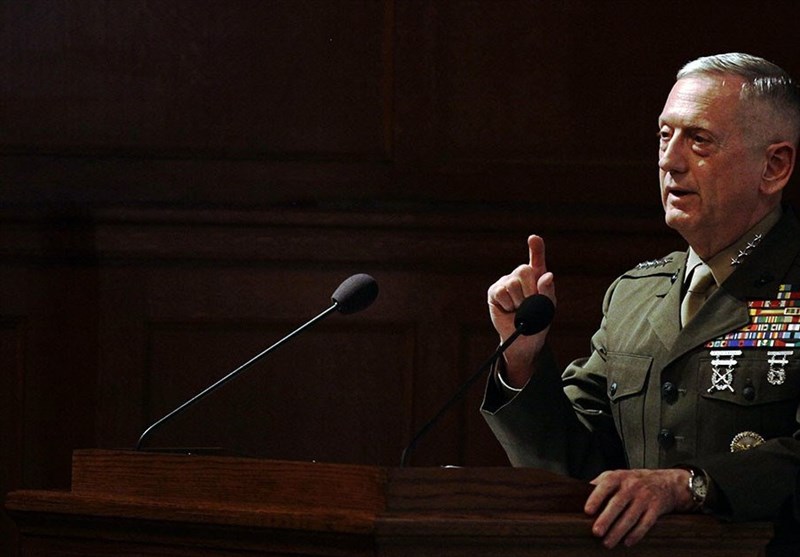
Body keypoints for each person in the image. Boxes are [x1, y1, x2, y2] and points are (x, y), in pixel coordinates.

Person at [481, 52, 800, 555]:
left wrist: (688, 486)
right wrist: (522, 358)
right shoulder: (634, 295)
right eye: (664, 136)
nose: (669, 160)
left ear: (774, 166)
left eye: (699, 140)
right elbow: (572, 465)